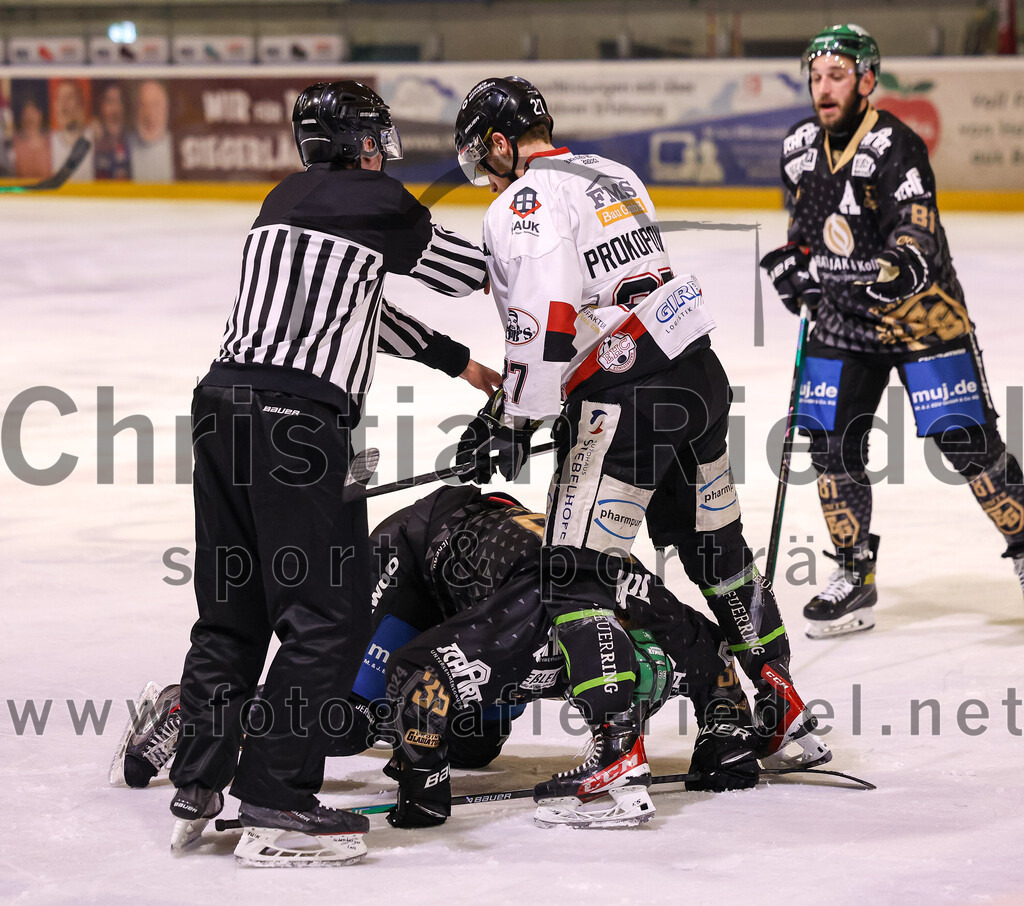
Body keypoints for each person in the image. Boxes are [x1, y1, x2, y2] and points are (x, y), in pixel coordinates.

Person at [452, 76, 829, 827]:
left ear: (498, 142)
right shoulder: (610, 172)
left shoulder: (522, 200)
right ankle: (783, 710)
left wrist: (512, 418)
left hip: (625, 397)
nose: (483, 176)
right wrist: (519, 411)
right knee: (719, 552)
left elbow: (547, 318)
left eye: (480, 159)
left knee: (574, 577)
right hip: (696, 375)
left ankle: (617, 767)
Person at [168, 80, 496, 867]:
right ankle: (275, 799)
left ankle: (200, 778)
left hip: (219, 408)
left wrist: (462, 365)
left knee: (233, 610)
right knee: (327, 617)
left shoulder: (286, 198)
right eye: (377, 137)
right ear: (361, 142)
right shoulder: (377, 202)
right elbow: (469, 272)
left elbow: (359, 309)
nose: (385, 151)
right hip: (295, 423)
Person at [113, 486, 761, 830]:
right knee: (348, 720)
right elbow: (420, 674)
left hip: (488, 585)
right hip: (416, 558)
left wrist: (728, 740)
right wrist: (422, 783)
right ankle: (189, 709)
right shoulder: (531, 618)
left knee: (475, 747)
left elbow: (715, 667)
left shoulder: (651, 611)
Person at [760, 24, 1024, 639]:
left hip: (921, 318)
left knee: (967, 446)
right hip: (842, 319)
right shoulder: (799, 145)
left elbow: (916, 227)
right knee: (830, 447)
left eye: (837, 75)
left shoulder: (894, 144)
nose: (824, 87)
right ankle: (855, 574)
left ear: (867, 80)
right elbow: (804, 229)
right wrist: (795, 266)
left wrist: (902, 261)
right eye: (816, 76)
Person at [129, 80, 173, 182]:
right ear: (135, 110)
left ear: (166, 109)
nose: (149, 113)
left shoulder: (177, 148)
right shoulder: (125, 145)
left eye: (155, 105)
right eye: (142, 105)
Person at [92, 82, 131, 180]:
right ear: (100, 107)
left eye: (119, 101)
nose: (115, 109)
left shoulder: (132, 142)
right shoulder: (93, 141)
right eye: (109, 101)